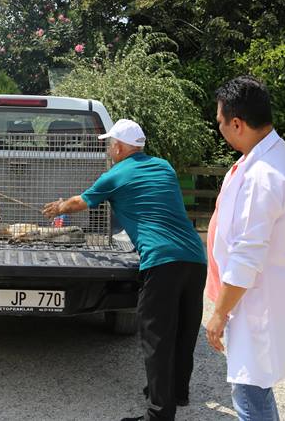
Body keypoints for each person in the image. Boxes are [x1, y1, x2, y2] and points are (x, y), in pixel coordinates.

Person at [42, 119, 207, 421]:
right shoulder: (164, 167)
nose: (108, 148)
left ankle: (159, 414)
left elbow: (82, 202)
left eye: (110, 144)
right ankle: (178, 393)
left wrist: (59, 207)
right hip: (195, 257)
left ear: (118, 146)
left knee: (156, 336)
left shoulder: (116, 174)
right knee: (185, 331)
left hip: (161, 261)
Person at [205, 76, 285, 420]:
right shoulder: (283, 156)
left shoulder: (263, 173)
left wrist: (219, 313)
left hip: (254, 300)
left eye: (221, 123)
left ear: (238, 123)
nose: (221, 129)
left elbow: (247, 254)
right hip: (262, 295)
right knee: (255, 388)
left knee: (249, 393)